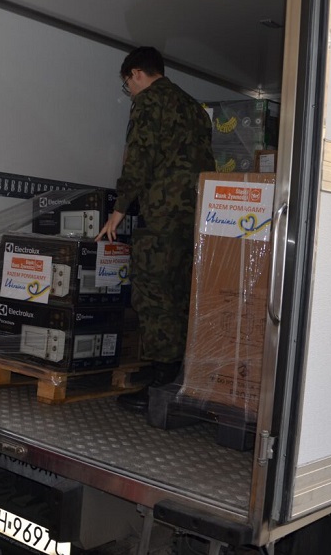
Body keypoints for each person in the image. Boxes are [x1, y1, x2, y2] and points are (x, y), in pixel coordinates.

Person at [96, 46, 215, 413]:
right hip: (193, 216)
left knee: (153, 290)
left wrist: (118, 210)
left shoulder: (149, 102)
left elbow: (140, 158)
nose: (129, 91)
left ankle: (162, 382)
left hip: (163, 214)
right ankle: (182, 375)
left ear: (136, 74)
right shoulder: (195, 109)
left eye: (127, 84)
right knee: (181, 291)